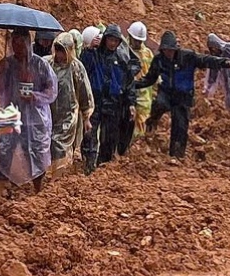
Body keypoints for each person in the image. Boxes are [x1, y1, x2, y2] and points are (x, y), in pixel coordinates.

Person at [135, 31, 230, 160]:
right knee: (159, 104)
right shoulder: (159, 60)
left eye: (171, 50)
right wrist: (134, 84)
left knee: (180, 126)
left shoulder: (187, 57)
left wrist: (226, 63)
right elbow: (150, 79)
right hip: (167, 93)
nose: (168, 53)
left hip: (183, 97)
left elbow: (205, 59)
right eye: (166, 50)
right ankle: (152, 122)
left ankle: (176, 156)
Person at [0, 28, 59, 209]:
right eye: (14, 43)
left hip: (34, 120)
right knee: (4, 153)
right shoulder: (7, 64)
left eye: (21, 43)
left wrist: (35, 97)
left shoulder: (40, 65)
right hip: (10, 114)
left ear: (28, 43)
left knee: (35, 154)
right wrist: (0, 72)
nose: (18, 47)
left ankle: (38, 192)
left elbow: (51, 91)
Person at [80, 23, 137, 173]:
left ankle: (103, 166)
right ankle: (89, 166)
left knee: (110, 137)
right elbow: (83, 69)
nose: (112, 43)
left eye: (115, 41)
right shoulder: (94, 54)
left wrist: (131, 103)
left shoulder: (122, 58)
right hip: (95, 101)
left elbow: (129, 83)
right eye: (110, 39)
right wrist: (89, 49)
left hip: (113, 103)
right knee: (90, 134)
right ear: (104, 39)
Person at [45, 30, 94, 175]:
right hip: (49, 112)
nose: (59, 55)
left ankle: (60, 177)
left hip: (68, 115)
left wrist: (86, 117)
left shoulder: (76, 67)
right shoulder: (47, 64)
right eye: (58, 50)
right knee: (48, 143)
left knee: (60, 144)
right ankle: (48, 175)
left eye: (63, 51)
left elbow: (85, 92)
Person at [120, 21, 153, 154]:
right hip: (126, 93)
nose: (138, 43)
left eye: (140, 41)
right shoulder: (123, 50)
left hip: (144, 96)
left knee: (141, 124)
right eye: (136, 40)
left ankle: (135, 152)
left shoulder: (148, 54)